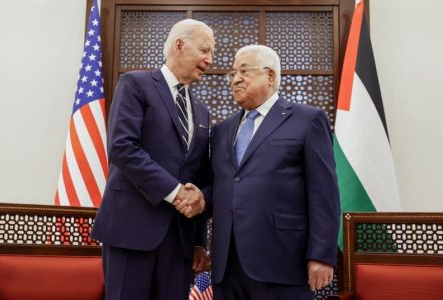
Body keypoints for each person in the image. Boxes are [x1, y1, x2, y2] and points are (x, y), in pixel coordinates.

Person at [91, 19, 215, 300]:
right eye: (205, 50)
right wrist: (175, 194)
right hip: (131, 231)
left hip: (179, 242)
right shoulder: (135, 84)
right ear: (180, 44)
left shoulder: (203, 112)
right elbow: (123, 147)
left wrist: (198, 242)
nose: (210, 60)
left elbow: (197, 176)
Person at [209, 45, 340, 300]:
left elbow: (324, 192)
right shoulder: (221, 130)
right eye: (232, 73)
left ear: (270, 76)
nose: (235, 79)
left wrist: (321, 254)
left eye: (244, 71)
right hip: (227, 265)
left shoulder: (307, 120)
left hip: (282, 261)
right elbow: (218, 187)